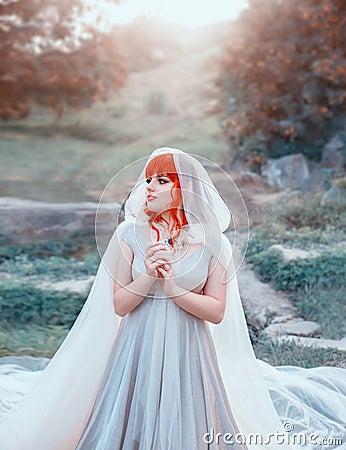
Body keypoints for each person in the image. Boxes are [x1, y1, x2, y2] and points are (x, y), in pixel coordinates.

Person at [0, 147, 345, 450]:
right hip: (136, 347)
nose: (149, 187)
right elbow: (120, 304)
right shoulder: (128, 234)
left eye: (162, 181)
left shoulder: (215, 244)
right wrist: (149, 274)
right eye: (149, 180)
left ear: (186, 190)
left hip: (189, 350)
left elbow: (216, 311)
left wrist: (175, 290)